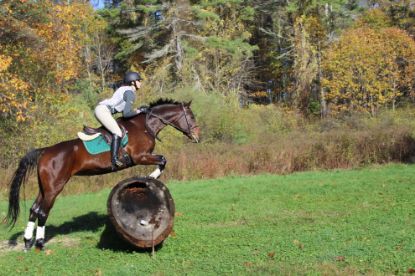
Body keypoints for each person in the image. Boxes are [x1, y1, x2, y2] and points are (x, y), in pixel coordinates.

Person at [94, 71, 146, 169]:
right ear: (132, 82)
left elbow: (125, 113)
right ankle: (114, 160)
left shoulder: (124, 89)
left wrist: (138, 110)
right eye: (139, 80)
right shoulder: (129, 92)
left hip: (101, 109)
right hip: (103, 110)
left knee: (116, 130)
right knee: (117, 132)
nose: (140, 83)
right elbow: (126, 114)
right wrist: (140, 110)